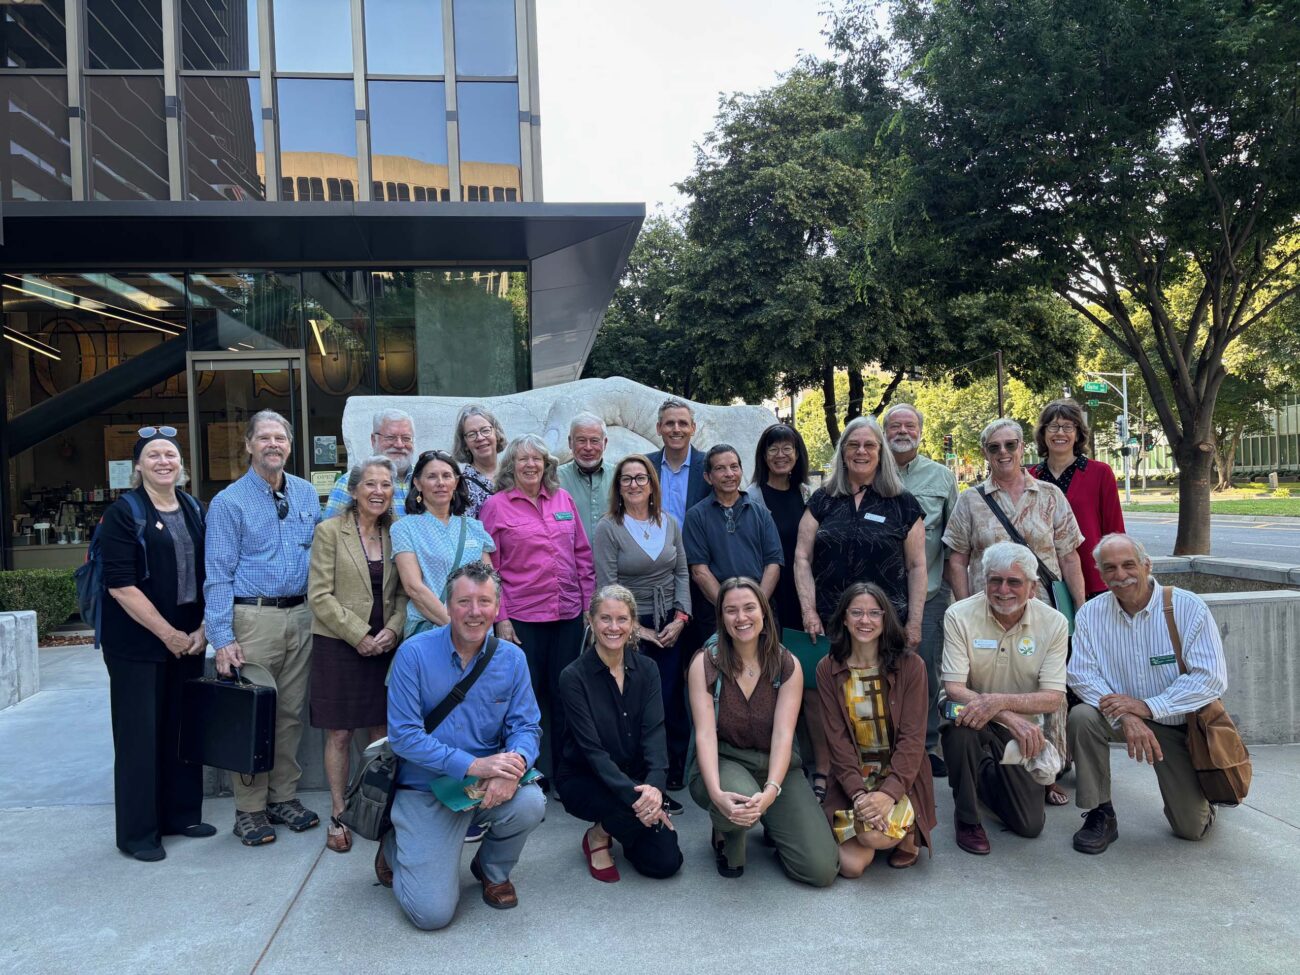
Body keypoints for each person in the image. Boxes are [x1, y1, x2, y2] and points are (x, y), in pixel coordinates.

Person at [380, 561, 544, 928]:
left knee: (531, 802)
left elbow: (526, 726)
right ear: (447, 605)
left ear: (497, 607)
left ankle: (491, 870)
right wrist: (473, 765)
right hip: (425, 789)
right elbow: (404, 735)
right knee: (431, 915)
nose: (474, 612)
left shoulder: (512, 659)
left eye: (484, 602)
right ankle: (394, 846)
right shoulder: (413, 654)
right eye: (464, 601)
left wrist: (513, 766)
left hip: (483, 787)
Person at [943, 417, 1085, 805]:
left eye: (1010, 445)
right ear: (985, 453)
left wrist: (1081, 606)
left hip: (1042, 610)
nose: (1003, 453)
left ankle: (1049, 770)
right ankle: (994, 759)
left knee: (1048, 690)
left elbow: (1068, 555)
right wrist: (963, 604)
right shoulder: (971, 500)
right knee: (985, 684)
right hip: (987, 611)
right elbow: (957, 558)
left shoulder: (1050, 495)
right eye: (994, 447)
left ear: (1023, 447)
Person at [794, 415, 927, 801]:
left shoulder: (902, 503)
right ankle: (826, 769)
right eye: (853, 445)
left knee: (882, 696)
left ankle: (883, 778)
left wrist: (914, 622)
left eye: (869, 445)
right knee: (825, 695)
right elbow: (802, 557)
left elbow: (917, 565)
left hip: (885, 622)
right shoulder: (822, 500)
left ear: (881, 453)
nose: (861, 451)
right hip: (830, 619)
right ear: (842, 452)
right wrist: (808, 611)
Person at [1066, 534, 1226, 853]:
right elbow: (1080, 675)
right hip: (1118, 718)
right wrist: (1127, 715)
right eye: (1110, 568)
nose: (1120, 575)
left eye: (1128, 565)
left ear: (1147, 565)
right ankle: (1100, 812)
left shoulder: (1187, 607)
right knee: (1081, 717)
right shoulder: (1089, 614)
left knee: (1191, 829)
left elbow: (1211, 678)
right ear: (1100, 573)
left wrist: (1148, 707)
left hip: (1177, 726)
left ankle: (1205, 794)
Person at [205, 409, 321, 846]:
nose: (274, 444)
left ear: (289, 446)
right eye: (265, 437)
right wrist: (222, 638)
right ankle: (249, 809)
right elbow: (217, 573)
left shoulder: (306, 493)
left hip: (300, 615)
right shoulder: (229, 502)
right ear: (249, 445)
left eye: (281, 438)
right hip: (253, 619)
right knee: (253, 715)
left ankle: (283, 797)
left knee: (289, 715)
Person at [99, 427, 211, 861]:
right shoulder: (123, 513)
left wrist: (202, 629)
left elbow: (211, 572)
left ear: (181, 464)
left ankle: (181, 815)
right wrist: (168, 634)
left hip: (188, 640)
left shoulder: (193, 508)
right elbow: (120, 585)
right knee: (139, 738)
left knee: (182, 729)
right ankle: (139, 834)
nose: (164, 462)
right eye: (153, 455)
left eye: (170, 455)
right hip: (138, 645)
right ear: (138, 466)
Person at [687, 577, 838, 886]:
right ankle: (727, 832)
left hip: (775, 765)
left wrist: (771, 792)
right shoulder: (705, 663)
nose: (741, 618)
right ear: (721, 617)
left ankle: (771, 819)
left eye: (749, 608)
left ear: (764, 612)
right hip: (724, 761)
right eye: (731, 610)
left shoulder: (787, 664)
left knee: (821, 870)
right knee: (739, 799)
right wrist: (716, 793)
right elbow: (705, 734)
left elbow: (784, 735)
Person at [479, 434, 596, 784]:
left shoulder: (563, 499)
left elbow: (582, 555)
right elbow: (490, 569)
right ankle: (526, 772)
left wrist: (588, 606)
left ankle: (565, 775)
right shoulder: (496, 506)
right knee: (524, 699)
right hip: (522, 619)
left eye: (537, 459)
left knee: (566, 694)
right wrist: (500, 618)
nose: (531, 465)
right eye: (523, 459)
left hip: (568, 615)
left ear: (547, 465)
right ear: (511, 465)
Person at [940, 542, 1069, 855]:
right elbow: (954, 687)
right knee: (960, 729)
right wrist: (1005, 713)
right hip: (970, 712)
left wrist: (1001, 706)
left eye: (1014, 582)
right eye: (995, 580)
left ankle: (980, 772)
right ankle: (967, 818)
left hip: (1022, 729)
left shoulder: (1054, 623)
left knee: (1029, 825)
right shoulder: (959, 614)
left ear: (1033, 588)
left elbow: (1053, 698)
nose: (1003, 590)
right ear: (984, 582)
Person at [307, 456, 408, 854]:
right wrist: (358, 634)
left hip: (385, 644)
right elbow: (319, 595)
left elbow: (405, 593)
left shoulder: (398, 532)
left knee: (380, 733)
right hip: (339, 644)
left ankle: (374, 808)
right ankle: (338, 811)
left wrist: (392, 630)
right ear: (353, 490)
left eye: (386, 485)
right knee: (339, 733)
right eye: (370, 484)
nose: (378, 492)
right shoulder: (330, 531)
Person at [556, 585, 683, 882]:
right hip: (586, 778)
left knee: (665, 862)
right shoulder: (573, 677)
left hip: (637, 780)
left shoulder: (648, 669)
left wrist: (655, 789)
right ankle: (598, 836)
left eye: (622, 619)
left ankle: (615, 826)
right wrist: (642, 800)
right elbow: (593, 753)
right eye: (605, 618)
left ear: (633, 622)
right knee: (628, 807)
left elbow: (655, 735)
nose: (614, 627)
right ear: (590, 620)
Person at [816, 583, 937, 875]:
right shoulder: (828, 668)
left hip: (900, 775)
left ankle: (907, 832)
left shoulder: (911, 666)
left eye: (874, 613)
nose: (865, 620)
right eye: (856, 612)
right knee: (851, 867)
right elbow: (837, 742)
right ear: (844, 619)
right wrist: (858, 795)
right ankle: (882, 828)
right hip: (853, 775)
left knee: (873, 837)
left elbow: (912, 740)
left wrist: (888, 794)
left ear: (885, 619)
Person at [591, 454, 692, 795]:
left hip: (670, 623)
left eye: (641, 478)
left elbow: (681, 572)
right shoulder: (608, 528)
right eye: (626, 479)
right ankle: (640, 777)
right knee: (636, 704)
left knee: (670, 697)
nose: (634, 484)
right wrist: (638, 630)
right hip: (627, 626)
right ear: (618, 487)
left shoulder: (669, 522)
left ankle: (672, 768)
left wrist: (681, 618)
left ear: (652, 485)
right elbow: (607, 587)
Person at [883, 402, 958, 777]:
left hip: (928, 596)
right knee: (878, 670)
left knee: (924, 672)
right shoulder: (867, 472)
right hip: (876, 599)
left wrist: (957, 598)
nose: (902, 431)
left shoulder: (942, 478)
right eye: (895, 425)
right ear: (884, 431)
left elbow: (955, 541)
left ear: (920, 431)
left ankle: (926, 745)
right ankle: (881, 743)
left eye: (909, 425)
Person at [683, 444, 784, 640]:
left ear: (741, 470)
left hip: (762, 611)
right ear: (708, 477)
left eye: (734, 467)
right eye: (720, 468)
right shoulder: (696, 516)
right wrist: (730, 609)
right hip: (716, 614)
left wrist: (756, 607)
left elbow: (773, 564)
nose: (729, 474)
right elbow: (699, 571)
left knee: (765, 660)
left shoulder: (761, 513)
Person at [392, 450, 495, 639]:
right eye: (432, 476)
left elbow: (490, 582)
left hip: (478, 629)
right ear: (418, 483)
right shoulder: (404, 528)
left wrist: (477, 626)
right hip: (431, 632)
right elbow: (414, 587)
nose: (440, 482)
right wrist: (458, 628)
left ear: (455, 482)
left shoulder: (474, 527)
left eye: (446, 476)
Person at [1030, 399, 1126, 600]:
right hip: (1041, 581)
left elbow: (1114, 529)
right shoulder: (1030, 478)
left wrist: (1117, 572)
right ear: (1043, 433)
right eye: (1053, 426)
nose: (1060, 433)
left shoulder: (1100, 473)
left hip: (1093, 577)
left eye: (1068, 427)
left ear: (1078, 433)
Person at [745, 422, 812, 631]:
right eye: (773, 449)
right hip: (769, 590)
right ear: (764, 456)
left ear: (797, 454)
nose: (780, 455)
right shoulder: (752, 497)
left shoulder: (806, 494)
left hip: (803, 586)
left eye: (787, 449)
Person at [323, 408, 417, 519]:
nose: (399, 445)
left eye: (406, 438)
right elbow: (332, 528)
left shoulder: (425, 479)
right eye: (390, 438)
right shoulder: (348, 483)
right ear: (373, 440)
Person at [645, 397, 709, 528]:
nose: (676, 429)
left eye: (683, 423)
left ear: (693, 428)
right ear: (659, 428)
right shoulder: (645, 466)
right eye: (670, 423)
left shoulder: (709, 466)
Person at [557, 411, 615, 541]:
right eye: (581, 440)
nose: (588, 447)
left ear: (605, 443)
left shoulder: (620, 477)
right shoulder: (554, 479)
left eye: (594, 441)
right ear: (570, 442)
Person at [451, 403, 507, 518]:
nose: (480, 438)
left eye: (485, 430)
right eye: (472, 434)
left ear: (496, 433)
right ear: (465, 444)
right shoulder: (463, 487)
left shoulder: (513, 472)